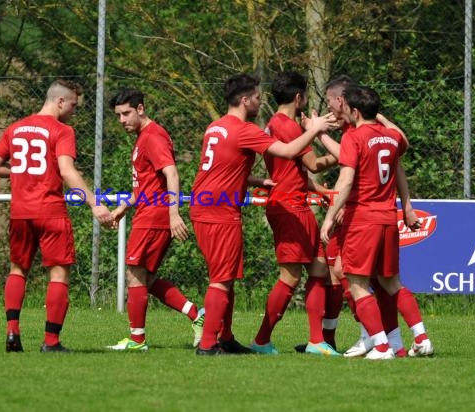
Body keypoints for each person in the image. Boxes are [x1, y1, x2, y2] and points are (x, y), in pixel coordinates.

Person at [190, 73, 338, 355]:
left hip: (207, 204)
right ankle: (209, 344)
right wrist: (316, 128)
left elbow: (220, 168)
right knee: (222, 278)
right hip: (221, 210)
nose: (261, 101)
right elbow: (289, 151)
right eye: (257, 97)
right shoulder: (244, 129)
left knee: (226, 276)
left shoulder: (215, 127)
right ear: (245, 100)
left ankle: (227, 337)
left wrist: (258, 182)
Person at [0, 79, 113, 353]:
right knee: (58, 275)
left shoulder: (15, 128)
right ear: (60, 101)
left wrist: (20, 172)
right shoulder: (62, 130)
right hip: (50, 212)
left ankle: (12, 332)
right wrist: (94, 203)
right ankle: (51, 342)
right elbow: (66, 171)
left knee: (18, 270)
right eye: (73, 105)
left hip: (20, 213)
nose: (73, 111)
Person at [319, 84, 433, 359]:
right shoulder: (391, 137)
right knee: (392, 283)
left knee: (356, 283)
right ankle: (422, 337)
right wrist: (407, 207)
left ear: (355, 110)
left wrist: (330, 218)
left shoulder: (354, 138)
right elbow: (400, 165)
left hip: (363, 219)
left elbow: (345, 181)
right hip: (387, 218)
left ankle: (381, 347)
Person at [249, 71, 340, 356]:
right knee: (290, 277)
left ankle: (316, 341)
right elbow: (313, 164)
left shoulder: (277, 123)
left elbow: (295, 171)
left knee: (319, 268)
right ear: (299, 97)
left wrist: (321, 192)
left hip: (295, 203)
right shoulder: (286, 126)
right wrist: (345, 151)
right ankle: (262, 340)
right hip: (289, 207)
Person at [107, 88, 205, 351]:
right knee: (145, 279)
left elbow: (172, 174)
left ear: (140, 109)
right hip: (147, 212)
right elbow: (144, 187)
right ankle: (197, 315)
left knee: (134, 274)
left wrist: (174, 214)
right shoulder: (142, 138)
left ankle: (137, 340)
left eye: (126, 113)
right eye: (118, 116)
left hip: (154, 216)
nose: (122, 120)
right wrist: (123, 208)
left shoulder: (153, 136)